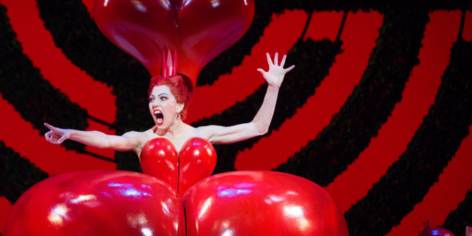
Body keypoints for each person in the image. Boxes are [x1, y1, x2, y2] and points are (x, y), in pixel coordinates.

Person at [44, 52, 294, 159]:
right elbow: (107, 140)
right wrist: (70, 134)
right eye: (152, 99)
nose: (154, 104)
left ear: (179, 105)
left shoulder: (201, 135)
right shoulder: (142, 139)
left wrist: (273, 88)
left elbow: (258, 127)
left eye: (163, 98)